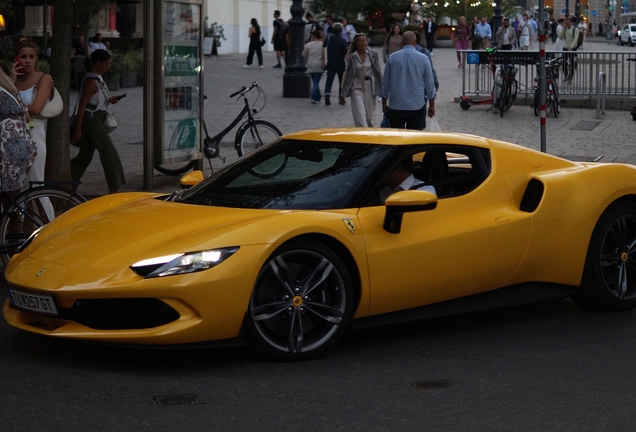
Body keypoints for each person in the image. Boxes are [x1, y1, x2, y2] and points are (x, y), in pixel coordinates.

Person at [71, 50, 125, 194]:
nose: (108, 66)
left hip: (96, 117)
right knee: (108, 151)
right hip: (91, 120)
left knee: (84, 156)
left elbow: (94, 102)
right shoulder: (90, 82)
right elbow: (82, 106)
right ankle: (115, 188)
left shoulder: (98, 79)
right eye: (106, 64)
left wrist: (109, 100)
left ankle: (66, 182)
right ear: (98, 63)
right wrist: (78, 129)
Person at [14, 39, 53, 189]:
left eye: (32, 56)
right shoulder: (14, 82)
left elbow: (36, 108)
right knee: (17, 185)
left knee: (35, 184)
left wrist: (14, 107)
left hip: (34, 131)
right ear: (17, 58)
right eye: (23, 57)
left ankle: (46, 213)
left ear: (36, 58)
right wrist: (11, 81)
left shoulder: (43, 78)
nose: (28, 61)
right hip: (14, 135)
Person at [380, 31, 436, 130]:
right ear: (415, 42)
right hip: (417, 105)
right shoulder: (423, 58)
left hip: (396, 104)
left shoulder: (392, 58)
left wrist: (384, 102)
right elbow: (429, 83)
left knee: (397, 137)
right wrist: (431, 104)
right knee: (415, 138)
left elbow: (385, 82)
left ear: (402, 42)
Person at [0, 67, 36, 195]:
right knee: (12, 197)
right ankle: (17, 214)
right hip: (24, 145)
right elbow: (27, 118)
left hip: (7, 151)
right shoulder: (10, 88)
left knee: (9, 195)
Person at [339, 33, 382, 127]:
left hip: (369, 86)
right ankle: (363, 133)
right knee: (359, 113)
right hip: (356, 86)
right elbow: (348, 74)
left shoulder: (373, 54)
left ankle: (370, 132)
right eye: (360, 41)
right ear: (356, 43)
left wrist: (383, 89)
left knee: (369, 116)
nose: (363, 43)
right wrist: (342, 94)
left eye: (364, 41)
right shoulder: (352, 56)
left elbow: (378, 71)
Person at [321, 23, 347, 106]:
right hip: (340, 63)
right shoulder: (343, 41)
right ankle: (341, 97)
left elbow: (323, 48)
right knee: (341, 82)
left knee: (329, 80)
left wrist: (323, 60)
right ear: (341, 31)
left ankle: (327, 94)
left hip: (330, 63)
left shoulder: (328, 38)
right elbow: (344, 53)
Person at [302, 29, 324, 104]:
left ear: (314, 36)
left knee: (315, 82)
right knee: (316, 82)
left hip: (311, 64)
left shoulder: (309, 45)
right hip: (319, 65)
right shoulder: (322, 44)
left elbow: (303, 54)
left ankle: (317, 97)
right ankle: (314, 97)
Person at [560, 16, 579, 82]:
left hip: (572, 49)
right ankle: (566, 75)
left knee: (572, 64)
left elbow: (575, 39)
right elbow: (560, 37)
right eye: (566, 22)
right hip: (565, 48)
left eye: (568, 22)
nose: (567, 23)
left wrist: (571, 47)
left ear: (571, 22)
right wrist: (563, 29)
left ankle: (570, 77)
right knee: (563, 62)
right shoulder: (566, 29)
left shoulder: (575, 29)